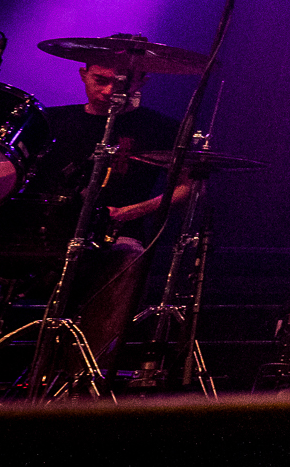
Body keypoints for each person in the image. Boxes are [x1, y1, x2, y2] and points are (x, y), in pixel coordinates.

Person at [33, 50, 189, 363]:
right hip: (47, 231)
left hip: (117, 234)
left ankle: (86, 372)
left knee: (129, 258)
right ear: (83, 74)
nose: (108, 91)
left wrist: (129, 212)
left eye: (120, 84)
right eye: (100, 80)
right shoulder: (52, 121)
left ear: (141, 81)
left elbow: (187, 185)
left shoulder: (159, 127)